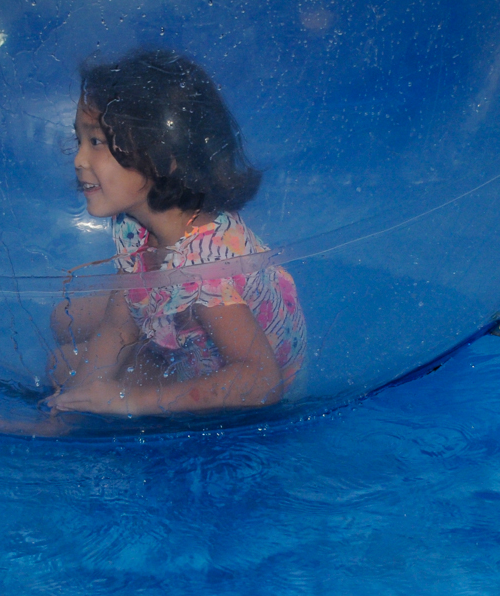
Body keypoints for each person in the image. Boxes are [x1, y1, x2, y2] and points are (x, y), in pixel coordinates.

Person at [45, 49, 306, 417]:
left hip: (232, 372)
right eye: (80, 141)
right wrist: (70, 407)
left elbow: (263, 382)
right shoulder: (136, 224)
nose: (78, 160)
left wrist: (126, 401)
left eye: (97, 142)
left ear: (162, 156)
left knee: (62, 364)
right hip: (189, 332)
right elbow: (119, 325)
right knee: (63, 322)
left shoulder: (206, 267)